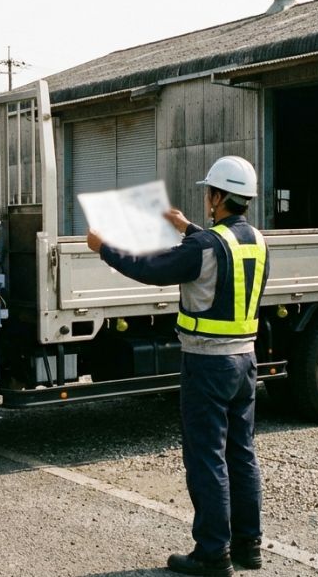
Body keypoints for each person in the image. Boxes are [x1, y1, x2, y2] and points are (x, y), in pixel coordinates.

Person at [87, 156, 269, 576]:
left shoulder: (203, 247)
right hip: (245, 361)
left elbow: (151, 269)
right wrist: (187, 226)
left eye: (210, 193)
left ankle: (212, 553)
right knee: (241, 453)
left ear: (218, 197)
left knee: (207, 458)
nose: (207, 198)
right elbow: (219, 248)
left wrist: (104, 249)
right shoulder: (256, 240)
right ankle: (248, 546)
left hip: (208, 363)